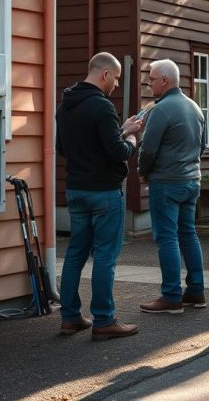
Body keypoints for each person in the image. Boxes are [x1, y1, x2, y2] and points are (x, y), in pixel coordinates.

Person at [55, 52, 143, 341]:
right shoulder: (102, 107)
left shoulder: (65, 104)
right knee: (105, 256)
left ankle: (69, 317)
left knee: (75, 253)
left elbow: (64, 148)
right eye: (116, 78)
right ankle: (104, 320)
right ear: (104, 74)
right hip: (104, 191)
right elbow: (117, 152)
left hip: (76, 189)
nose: (116, 85)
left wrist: (120, 130)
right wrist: (131, 138)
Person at [137, 59, 207, 314]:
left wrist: (142, 172)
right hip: (192, 181)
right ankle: (196, 291)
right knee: (188, 234)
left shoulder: (161, 110)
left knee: (166, 238)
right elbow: (202, 146)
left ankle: (171, 296)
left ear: (165, 80)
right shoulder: (195, 108)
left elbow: (148, 149)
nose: (149, 83)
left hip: (166, 182)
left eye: (152, 79)